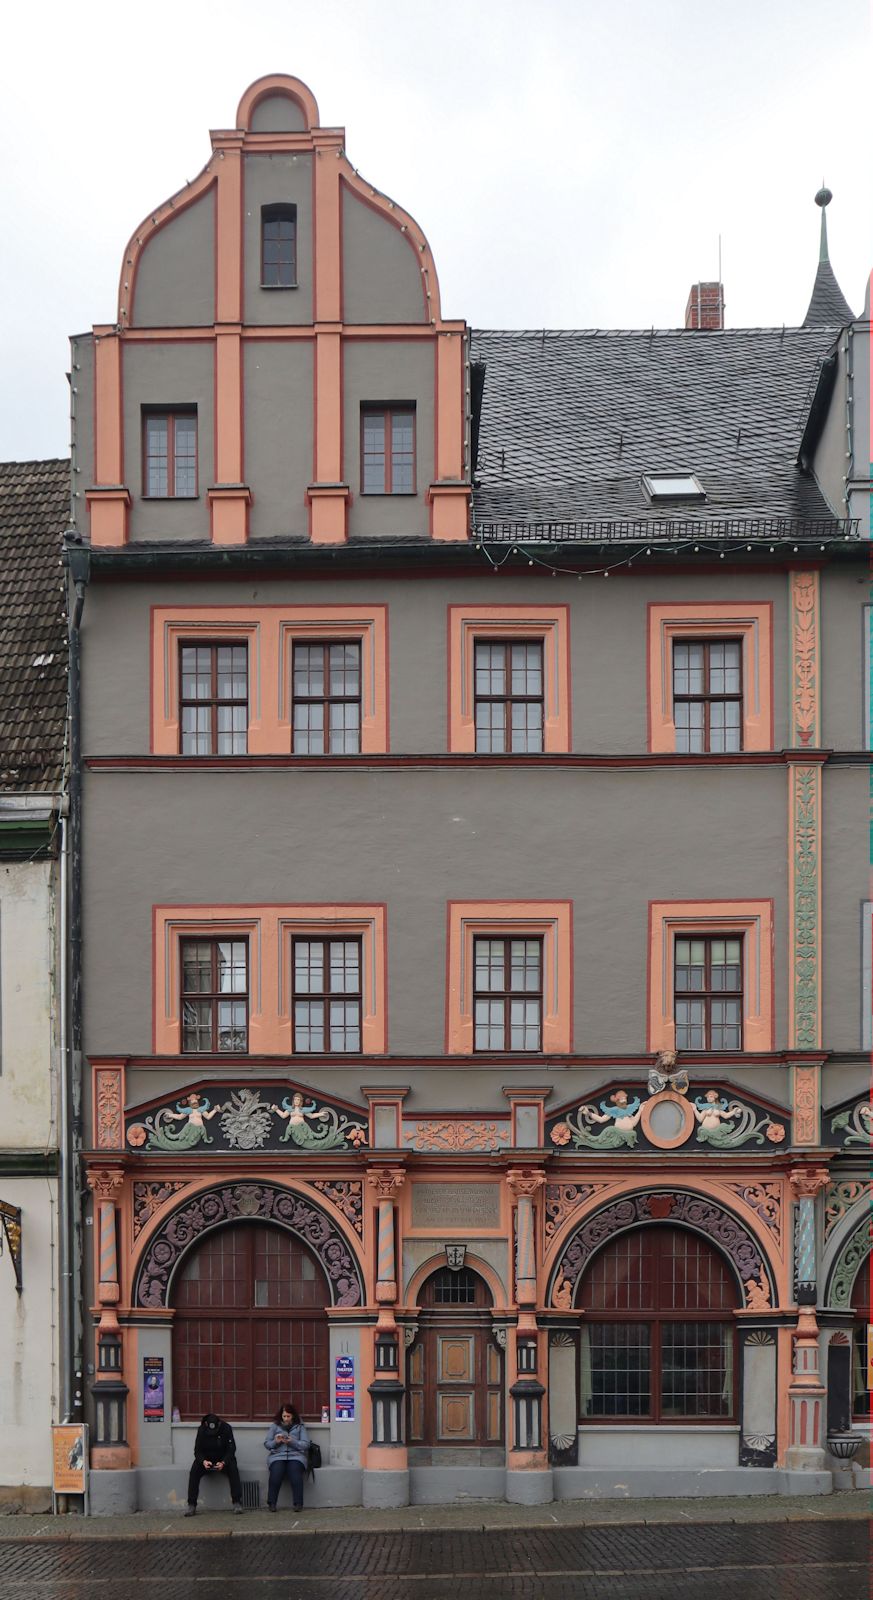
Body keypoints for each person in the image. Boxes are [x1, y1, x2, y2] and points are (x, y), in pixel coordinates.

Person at [184, 1412, 243, 1515]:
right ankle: (191, 1505)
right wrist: (203, 1461)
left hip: (223, 1459)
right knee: (194, 1471)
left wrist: (224, 1462)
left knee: (233, 1469)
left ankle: (237, 1502)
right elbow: (197, 1451)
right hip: (207, 1460)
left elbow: (231, 1449)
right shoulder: (201, 1429)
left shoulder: (226, 1428)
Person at [263, 1402, 310, 1511]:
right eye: (284, 1416)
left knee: (295, 1475)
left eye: (288, 1416)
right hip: (277, 1456)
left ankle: (298, 1504)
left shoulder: (300, 1427)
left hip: (296, 1456)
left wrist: (292, 1442)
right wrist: (276, 1442)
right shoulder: (275, 1426)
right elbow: (267, 1444)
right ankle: (272, 1503)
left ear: (293, 1415)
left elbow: (306, 1444)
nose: (286, 1419)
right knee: (276, 1474)